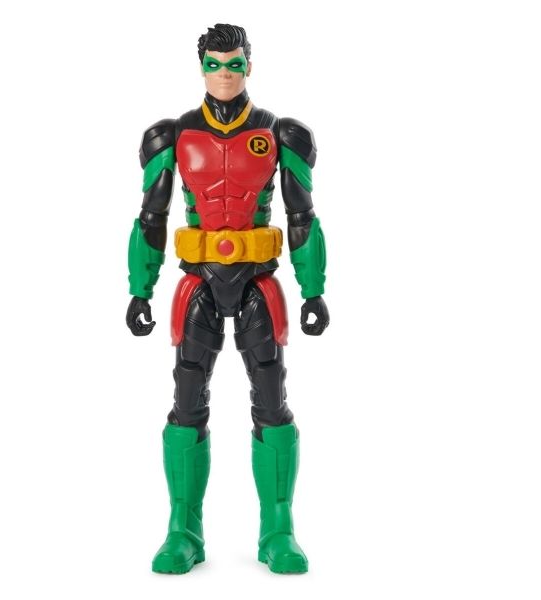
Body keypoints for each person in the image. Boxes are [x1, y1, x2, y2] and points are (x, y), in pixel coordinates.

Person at [126, 23, 329, 574]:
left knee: (271, 397)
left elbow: (303, 215)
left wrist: (313, 289)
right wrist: (140, 289)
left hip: (259, 280)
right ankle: (183, 528)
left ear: (248, 66)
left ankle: (278, 528)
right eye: (214, 64)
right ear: (201, 68)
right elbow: (151, 216)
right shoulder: (173, 135)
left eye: (234, 63)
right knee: (187, 397)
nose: (224, 74)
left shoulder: (279, 133)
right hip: (198, 282)